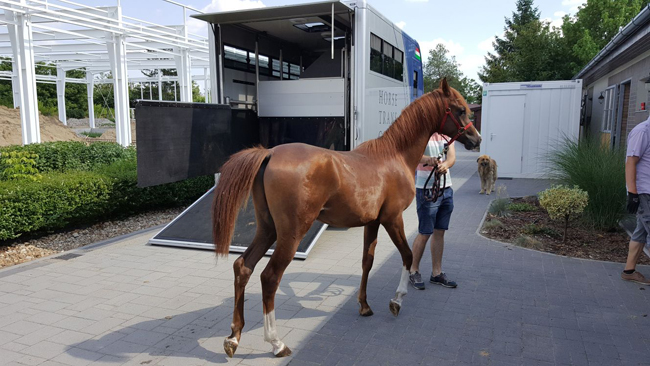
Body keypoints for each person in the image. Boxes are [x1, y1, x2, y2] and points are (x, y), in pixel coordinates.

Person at [408, 133, 457, 290]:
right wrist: (428, 160)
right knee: (425, 232)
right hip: (426, 188)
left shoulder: (447, 134)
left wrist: (446, 165)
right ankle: (413, 270)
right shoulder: (421, 132)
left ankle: (437, 273)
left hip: (446, 189)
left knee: (440, 231)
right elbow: (412, 155)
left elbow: (452, 157)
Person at [622, 116, 650, 285]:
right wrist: (633, 193)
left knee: (641, 231)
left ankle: (629, 271)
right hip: (644, 192)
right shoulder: (642, 131)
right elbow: (630, 162)